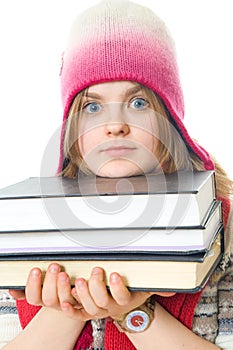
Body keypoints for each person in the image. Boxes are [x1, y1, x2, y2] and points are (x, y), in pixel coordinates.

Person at [3, 0, 233, 349]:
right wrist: (70, 305)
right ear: (72, 130)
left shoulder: (222, 228)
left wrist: (135, 312)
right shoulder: (27, 228)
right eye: (92, 107)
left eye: (138, 102)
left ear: (169, 119)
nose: (114, 126)